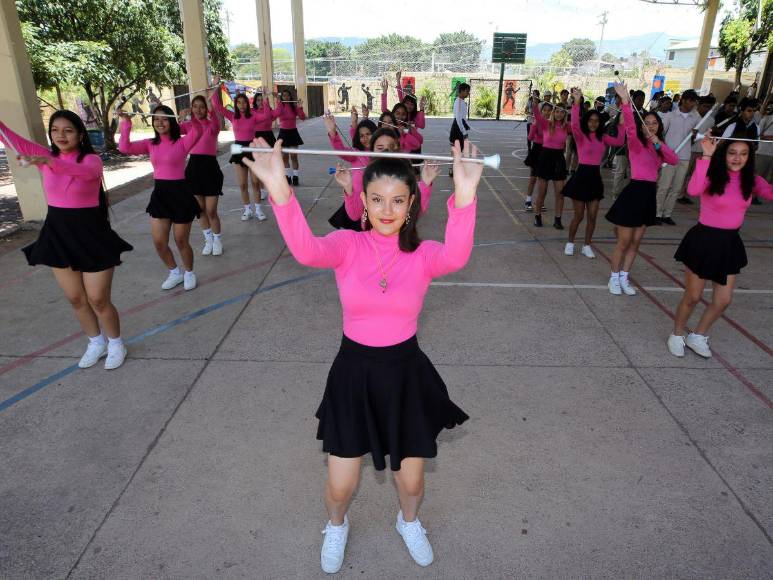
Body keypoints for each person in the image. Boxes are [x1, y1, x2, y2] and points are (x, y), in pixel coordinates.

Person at [242, 137, 481, 574]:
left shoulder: (424, 256)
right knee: (340, 486)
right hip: (354, 373)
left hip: (405, 373)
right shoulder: (346, 245)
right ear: (364, 203)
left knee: (411, 480)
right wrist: (280, 189)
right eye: (376, 199)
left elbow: (457, 254)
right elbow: (306, 250)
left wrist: (464, 198)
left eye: (397, 200)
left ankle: (408, 521)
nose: (386, 209)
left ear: (411, 205)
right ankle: (336, 524)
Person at [0, 112, 132, 370]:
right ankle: (95, 342)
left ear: (80, 134)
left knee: (98, 299)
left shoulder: (92, 161)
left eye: (68, 130)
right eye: (55, 130)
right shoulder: (46, 157)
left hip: (92, 236)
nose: (61, 135)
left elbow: (79, 172)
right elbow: (10, 138)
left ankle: (116, 343)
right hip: (59, 235)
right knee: (75, 298)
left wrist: (47, 161)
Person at [668, 133, 773, 358]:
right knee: (693, 296)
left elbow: (771, 193)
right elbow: (693, 191)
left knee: (723, 300)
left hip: (729, 243)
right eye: (732, 153)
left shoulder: (751, 180)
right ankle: (677, 334)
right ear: (723, 154)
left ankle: (698, 335)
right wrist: (706, 155)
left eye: (743, 154)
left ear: (749, 156)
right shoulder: (712, 175)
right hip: (703, 240)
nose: (737, 158)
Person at [605, 82, 678, 296]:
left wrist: (658, 142)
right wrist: (626, 102)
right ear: (642, 125)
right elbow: (628, 125)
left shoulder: (658, 148)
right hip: (634, 193)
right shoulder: (636, 144)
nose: (651, 126)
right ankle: (614, 278)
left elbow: (673, 159)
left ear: (659, 126)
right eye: (647, 123)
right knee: (624, 241)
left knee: (636, 242)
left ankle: (625, 277)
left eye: (654, 123)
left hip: (648, 195)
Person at [118, 106, 203, 291]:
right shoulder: (150, 143)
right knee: (159, 242)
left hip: (180, 194)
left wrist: (190, 117)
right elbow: (124, 148)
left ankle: (189, 272)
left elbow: (198, 131)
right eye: (156, 119)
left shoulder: (182, 142)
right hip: (160, 195)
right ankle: (174, 273)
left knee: (181, 240)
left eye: (164, 119)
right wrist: (126, 123)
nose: (160, 122)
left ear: (172, 121)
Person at [563, 88, 625, 258]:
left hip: (594, 178)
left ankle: (587, 245)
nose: (593, 123)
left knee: (592, 216)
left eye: (596, 121)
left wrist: (621, 123)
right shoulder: (581, 135)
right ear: (587, 122)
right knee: (579, 216)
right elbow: (574, 123)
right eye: (590, 120)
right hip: (581, 176)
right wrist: (576, 102)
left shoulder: (602, 137)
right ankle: (570, 242)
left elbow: (619, 141)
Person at [179, 92, 225, 256]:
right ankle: (209, 239)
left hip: (210, 168)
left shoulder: (212, 125)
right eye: (195, 106)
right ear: (191, 108)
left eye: (202, 107)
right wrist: (179, 117)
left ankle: (218, 239)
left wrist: (212, 96)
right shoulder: (188, 125)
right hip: (193, 168)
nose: (198, 110)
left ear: (206, 109)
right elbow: (171, 130)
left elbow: (216, 117)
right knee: (200, 210)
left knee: (211, 210)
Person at [654, 89, 700, 225]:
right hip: (669, 156)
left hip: (685, 156)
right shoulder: (670, 116)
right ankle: (657, 213)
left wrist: (695, 134)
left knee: (676, 188)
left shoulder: (695, 117)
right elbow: (661, 134)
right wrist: (663, 151)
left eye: (694, 102)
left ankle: (667, 214)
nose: (692, 104)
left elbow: (696, 137)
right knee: (664, 186)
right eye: (690, 101)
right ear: (683, 100)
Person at [531, 94, 569, 228]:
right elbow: (537, 115)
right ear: (554, 112)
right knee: (542, 191)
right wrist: (535, 103)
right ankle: (537, 215)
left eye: (562, 112)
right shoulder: (547, 123)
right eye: (557, 111)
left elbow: (577, 124)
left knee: (560, 193)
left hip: (559, 159)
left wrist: (576, 104)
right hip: (545, 157)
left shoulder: (566, 127)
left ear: (565, 114)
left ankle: (557, 219)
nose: (559, 114)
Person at [276, 88, 306, 186]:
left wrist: (300, 107)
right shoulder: (280, 106)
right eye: (284, 95)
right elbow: (277, 113)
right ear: (282, 97)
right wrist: (278, 102)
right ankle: (287, 176)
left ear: (290, 97)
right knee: (284, 157)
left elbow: (302, 117)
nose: (286, 97)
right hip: (283, 133)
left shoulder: (294, 107)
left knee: (293, 156)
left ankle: (295, 176)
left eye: (287, 95)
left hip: (293, 133)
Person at [448, 83, 471, 177]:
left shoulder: (462, 102)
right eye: (467, 91)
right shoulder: (458, 102)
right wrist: (464, 131)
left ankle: (456, 169)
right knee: (455, 150)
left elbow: (463, 117)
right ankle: (452, 169)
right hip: (457, 128)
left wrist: (466, 126)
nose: (468, 93)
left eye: (468, 91)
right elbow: (458, 118)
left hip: (460, 127)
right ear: (461, 91)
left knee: (459, 150)